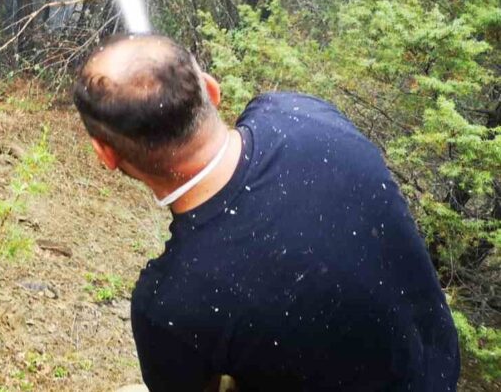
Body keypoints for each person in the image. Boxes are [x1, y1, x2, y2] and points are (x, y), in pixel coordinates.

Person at [73, 34, 460, 391]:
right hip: (433, 369)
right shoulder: (299, 112)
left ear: (105, 154)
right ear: (211, 89)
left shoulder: (170, 304)